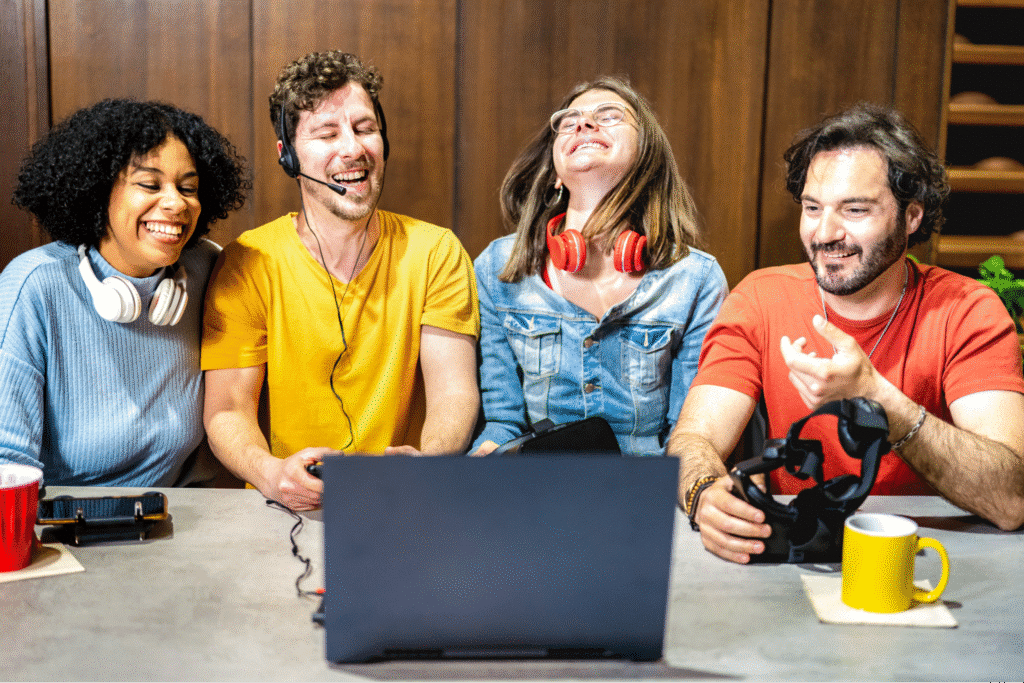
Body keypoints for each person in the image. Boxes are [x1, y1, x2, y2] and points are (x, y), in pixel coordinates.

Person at [669, 102, 1024, 563]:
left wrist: (878, 398)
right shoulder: (760, 297)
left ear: (911, 216)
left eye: (854, 210)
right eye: (812, 208)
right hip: (796, 555)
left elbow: (1011, 499)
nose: (825, 233)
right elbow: (692, 440)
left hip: (927, 558)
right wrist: (703, 492)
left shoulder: (967, 310)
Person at [202, 51, 479, 510]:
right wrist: (272, 474)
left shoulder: (436, 251)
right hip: (285, 508)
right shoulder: (248, 262)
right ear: (288, 155)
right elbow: (228, 411)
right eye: (327, 134)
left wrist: (430, 461)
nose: (353, 149)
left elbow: (454, 392)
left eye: (365, 128)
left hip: (405, 501)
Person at [472, 76, 727, 456]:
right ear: (555, 173)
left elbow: (687, 436)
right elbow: (503, 423)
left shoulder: (695, 279)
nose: (583, 124)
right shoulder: (499, 268)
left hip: (645, 484)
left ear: (647, 157)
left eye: (608, 116)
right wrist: (482, 464)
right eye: (569, 121)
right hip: (535, 486)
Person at [1, 98, 248, 486]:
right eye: (149, 184)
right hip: (65, 518)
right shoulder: (35, 285)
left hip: (178, 513)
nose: (176, 203)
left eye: (188, 188)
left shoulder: (207, 270)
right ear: (98, 192)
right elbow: (7, 465)